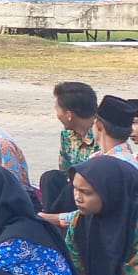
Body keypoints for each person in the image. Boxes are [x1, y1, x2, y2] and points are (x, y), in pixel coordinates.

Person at [51, 156, 138, 275]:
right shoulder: (80, 221)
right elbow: (73, 265)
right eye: (75, 189)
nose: (77, 198)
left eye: (86, 192)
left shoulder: (134, 222)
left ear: (110, 193)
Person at [39, 82, 100, 213]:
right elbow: (64, 170)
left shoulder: (102, 134)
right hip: (71, 191)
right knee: (50, 178)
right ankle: (51, 218)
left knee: (73, 185)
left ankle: (51, 220)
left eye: (57, 110)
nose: (56, 114)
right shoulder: (67, 134)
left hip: (92, 193)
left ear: (69, 115)